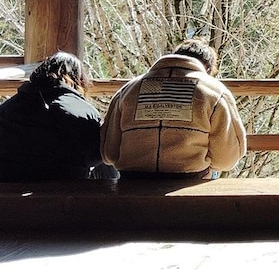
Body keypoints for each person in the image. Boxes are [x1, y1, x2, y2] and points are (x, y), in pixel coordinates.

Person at [101, 38, 246, 178]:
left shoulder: (129, 89)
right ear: (207, 68)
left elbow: (109, 153)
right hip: (190, 182)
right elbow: (227, 158)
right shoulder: (214, 92)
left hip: (131, 182)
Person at [0, 52, 114, 181]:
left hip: (8, 187)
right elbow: (95, 153)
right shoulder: (80, 110)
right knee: (106, 157)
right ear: (78, 80)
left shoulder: (6, 109)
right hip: (65, 190)